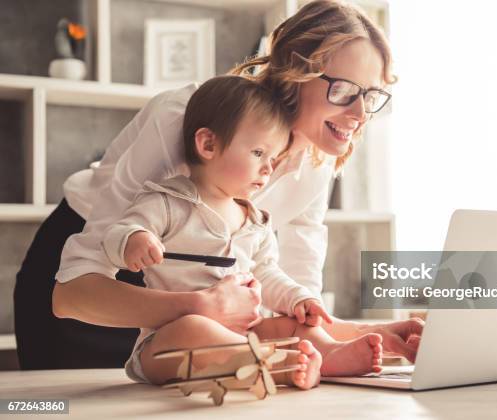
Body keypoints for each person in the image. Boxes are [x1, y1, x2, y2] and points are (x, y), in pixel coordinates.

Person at [15, 0, 423, 370]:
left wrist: (359, 336)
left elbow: (295, 307)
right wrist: (202, 307)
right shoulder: (187, 116)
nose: (359, 114)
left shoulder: (318, 157)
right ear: (295, 72)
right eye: (345, 90)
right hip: (101, 286)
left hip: (204, 316)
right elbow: (70, 296)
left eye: (370, 96)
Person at [104, 75, 384, 386]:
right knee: (195, 328)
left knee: (291, 324)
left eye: (273, 158)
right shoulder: (168, 202)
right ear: (208, 144)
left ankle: (329, 354)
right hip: (166, 344)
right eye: (258, 153)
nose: (268, 168)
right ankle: (275, 364)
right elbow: (118, 232)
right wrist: (134, 239)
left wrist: (298, 299)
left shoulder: (255, 221)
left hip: (243, 334)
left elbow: (266, 272)